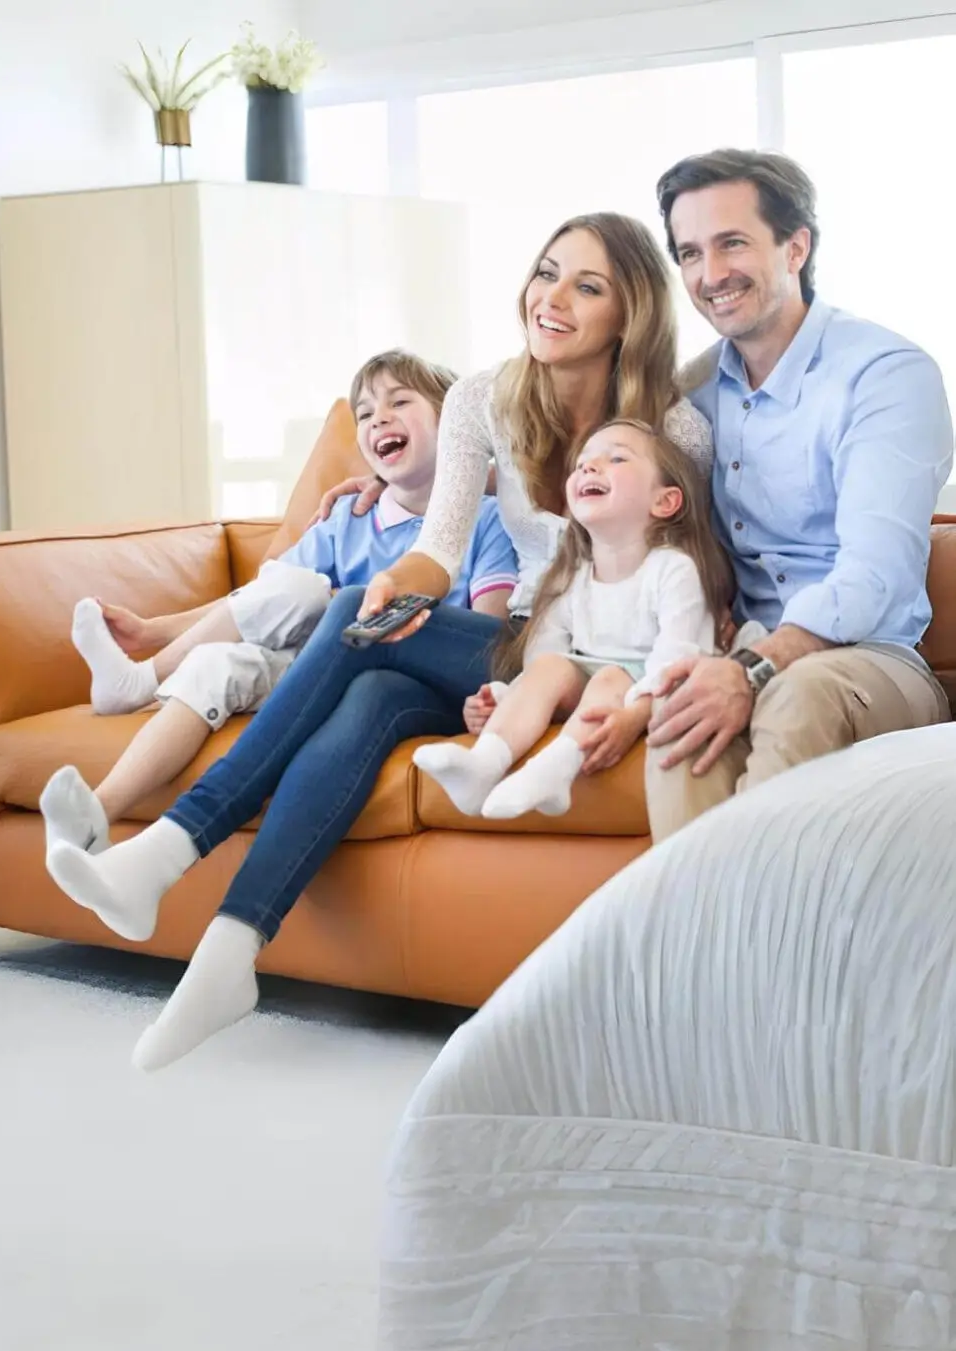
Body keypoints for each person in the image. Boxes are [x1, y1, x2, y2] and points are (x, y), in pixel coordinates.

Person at [44, 212, 711, 1072]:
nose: (552, 299)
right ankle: (227, 957)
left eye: (588, 286)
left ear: (631, 314)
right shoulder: (481, 398)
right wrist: (402, 587)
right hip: (498, 646)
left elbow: (700, 566)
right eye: (546, 273)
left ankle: (169, 849)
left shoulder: (674, 427)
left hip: (582, 654)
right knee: (369, 686)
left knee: (360, 611)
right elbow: (437, 547)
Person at [43, 351, 517, 867]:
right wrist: (156, 630)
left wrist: (350, 608)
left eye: (399, 402)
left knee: (314, 596)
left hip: (392, 670)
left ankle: (138, 682)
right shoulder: (349, 518)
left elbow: (489, 629)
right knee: (221, 657)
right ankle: (100, 810)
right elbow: (256, 600)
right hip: (307, 665)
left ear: (456, 428)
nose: (378, 416)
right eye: (364, 413)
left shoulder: (488, 519)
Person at [644, 149, 952, 837]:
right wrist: (408, 478)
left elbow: (875, 574)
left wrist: (755, 666)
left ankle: (756, 943)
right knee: (679, 721)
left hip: (872, 664)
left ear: (796, 246)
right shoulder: (692, 397)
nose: (710, 274)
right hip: (748, 652)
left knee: (795, 697)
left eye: (732, 244)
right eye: (690, 253)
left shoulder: (884, 374)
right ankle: (709, 944)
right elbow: (604, 477)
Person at [415, 418, 727, 822]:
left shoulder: (674, 570)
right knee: (549, 665)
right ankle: (484, 764)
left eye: (616, 458)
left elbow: (678, 662)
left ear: (664, 501)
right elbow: (543, 658)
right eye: (582, 463)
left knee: (610, 678)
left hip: (646, 689)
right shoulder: (573, 575)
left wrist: (636, 714)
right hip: (587, 685)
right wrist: (502, 698)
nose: (589, 468)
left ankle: (555, 768)